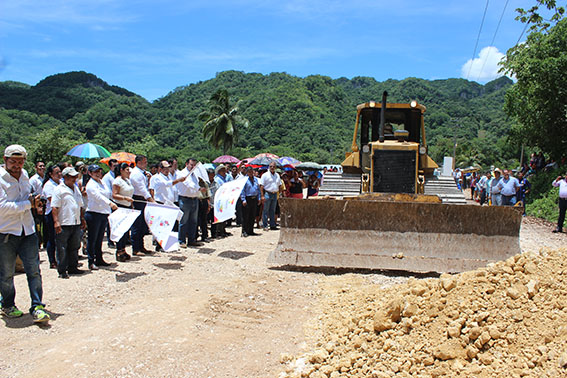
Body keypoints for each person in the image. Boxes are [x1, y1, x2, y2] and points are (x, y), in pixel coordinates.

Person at [0, 144, 50, 323]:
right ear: (5, 160)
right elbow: (2, 207)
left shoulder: (25, 176)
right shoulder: (0, 179)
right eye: (13, 161)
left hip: (27, 230)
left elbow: (27, 197)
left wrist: (35, 202)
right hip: (6, 231)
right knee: (6, 273)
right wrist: (28, 204)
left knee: (34, 270)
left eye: (20, 162)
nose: (17, 165)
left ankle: (37, 305)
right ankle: (7, 305)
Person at [51, 167, 86, 278]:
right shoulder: (59, 189)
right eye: (72, 177)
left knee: (75, 246)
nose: (74, 179)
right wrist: (56, 222)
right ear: (65, 177)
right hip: (64, 222)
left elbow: (80, 205)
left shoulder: (75, 189)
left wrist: (82, 219)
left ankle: (73, 267)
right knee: (62, 247)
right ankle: (62, 270)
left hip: (75, 221)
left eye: (75, 177)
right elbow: (55, 207)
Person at [85, 164, 118, 270]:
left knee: (99, 238)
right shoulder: (90, 185)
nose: (98, 173)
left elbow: (107, 194)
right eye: (95, 172)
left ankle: (99, 258)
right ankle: (91, 260)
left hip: (103, 212)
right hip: (93, 213)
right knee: (92, 238)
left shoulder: (102, 182)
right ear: (90, 173)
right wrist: (110, 204)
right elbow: (98, 197)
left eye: (99, 171)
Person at [177, 158, 205, 248]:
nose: (193, 167)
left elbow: (195, 185)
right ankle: (181, 241)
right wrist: (199, 189)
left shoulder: (195, 175)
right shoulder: (182, 173)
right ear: (186, 164)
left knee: (193, 221)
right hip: (185, 199)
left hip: (194, 199)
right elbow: (188, 184)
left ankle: (192, 240)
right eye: (191, 165)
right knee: (184, 221)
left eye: (194, 165)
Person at [130, 155, 155, 256]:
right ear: (139, 162)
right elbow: (141, 189)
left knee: (142, 225)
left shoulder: (143, 173)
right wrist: (150, 199)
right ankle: (136, 248)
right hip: (138, 199)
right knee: (137, 225)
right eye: (145, 162)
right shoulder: (136, 174)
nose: (146, 164)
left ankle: (141, 246)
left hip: (143, 200)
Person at [112, 163, 135, 261]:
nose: (129, 172)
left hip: (128, 206)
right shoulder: (117, 181)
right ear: (121, 170)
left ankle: (124, 249)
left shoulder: (127, 181)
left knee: (126, 230)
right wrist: (124, 198)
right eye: (127, 170)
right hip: (120, 206)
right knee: (120, 230)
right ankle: (119, 251)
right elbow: (114, 195)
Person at [42, 164, 62, 269]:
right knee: (52, 238)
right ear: (50, 174)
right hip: (51, 214)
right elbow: (52, 201)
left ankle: (61, 259)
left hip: (61, 212)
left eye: (60, 172)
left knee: (60, 238)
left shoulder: (61, 182)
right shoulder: (49, 185)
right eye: (56, 173)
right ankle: (52, 260)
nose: (59, 174)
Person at [260, 162, 281, 231]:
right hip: (267, 193)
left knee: (273, 210)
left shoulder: (277, 175)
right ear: (269, 167)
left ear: (275, 167)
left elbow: (279, 184)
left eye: (273, 166)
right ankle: (265, 225)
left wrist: (279, 193)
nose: (272, 167)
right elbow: (261, 186)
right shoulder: (265, 175)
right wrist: (262, 196)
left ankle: (272, 225)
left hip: (275, 194)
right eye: (271, 166)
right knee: (265, 210)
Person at [240, 166, 261, 237]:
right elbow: (242, 190)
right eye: (249, 172)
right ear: (247, 172)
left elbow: (258, 190)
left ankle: (250, 230)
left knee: (252, 215)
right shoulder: (244, 180)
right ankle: (244, 231)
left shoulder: (256, 180)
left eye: (252, 172)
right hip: (247, 198)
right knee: (246, 216)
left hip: (254, 198)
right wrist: (243, 199)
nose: (251, 173)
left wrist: (259, 198)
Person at [29, 161, 46, 249]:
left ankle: (45, 243)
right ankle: (38, 243)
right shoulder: (33, 179)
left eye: (43, 166)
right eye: (40, 166)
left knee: (46, 225)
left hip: (45, 203)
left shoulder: (45, 178)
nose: (42, 168)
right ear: (36, 168)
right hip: (37, 203)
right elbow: (31, 192)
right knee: (37, 225)